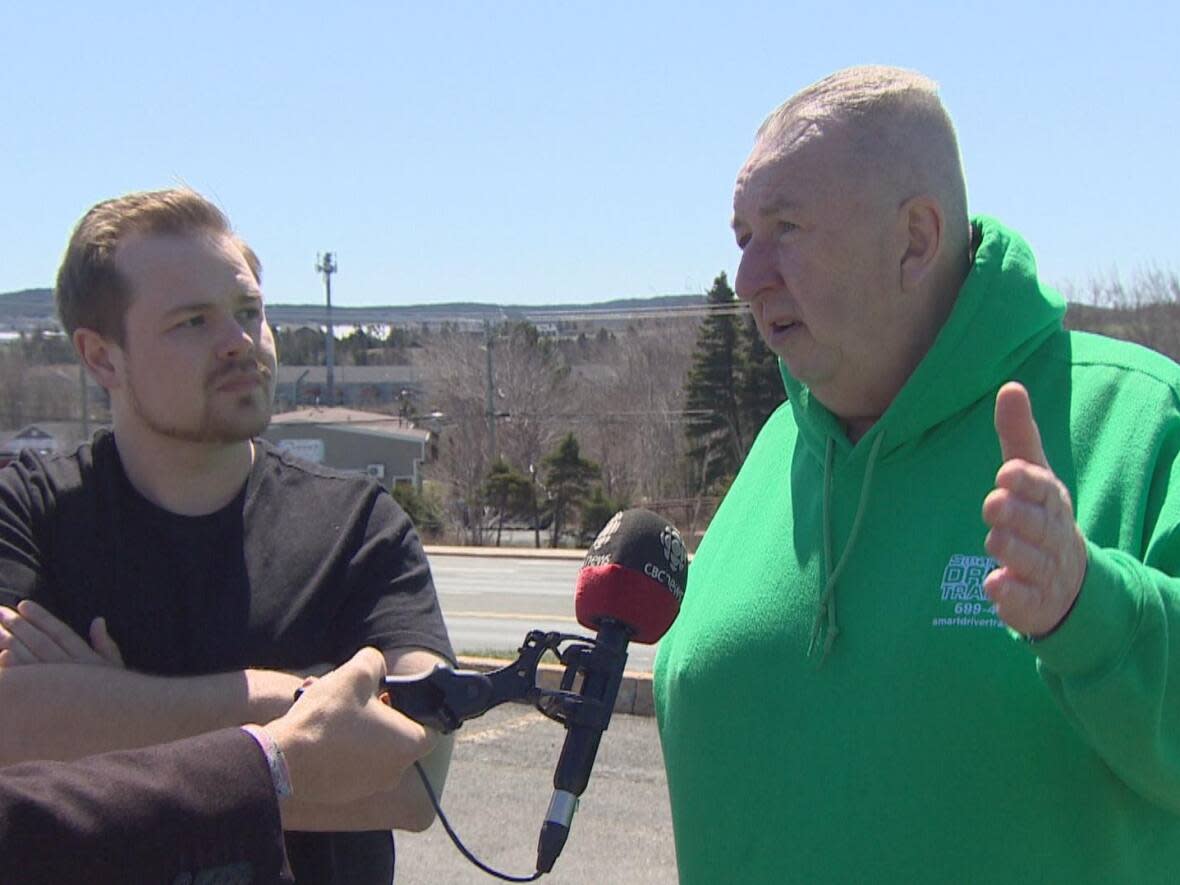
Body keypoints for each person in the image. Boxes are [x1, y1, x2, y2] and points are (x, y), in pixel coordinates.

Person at [653, 65, 1180, 883]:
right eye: (742, 236)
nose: (750, 279)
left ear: (916, 239)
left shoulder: (1140, 420)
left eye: (786, 228)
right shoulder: (773, 450)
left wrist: (1089, 608)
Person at [0, 188, 455, 883]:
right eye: (193, 321)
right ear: (101, 358)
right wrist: (292, 715)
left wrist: (103, 721)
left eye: (249, 312)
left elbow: (415, 778)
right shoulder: (28, 510)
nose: (240, 341)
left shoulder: (361, 526)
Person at [0, 647, 435, 885]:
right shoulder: (20, 503)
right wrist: (279, 750)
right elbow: (14, 723)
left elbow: (413, 784)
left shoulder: (364, 519)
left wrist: (97, 699)